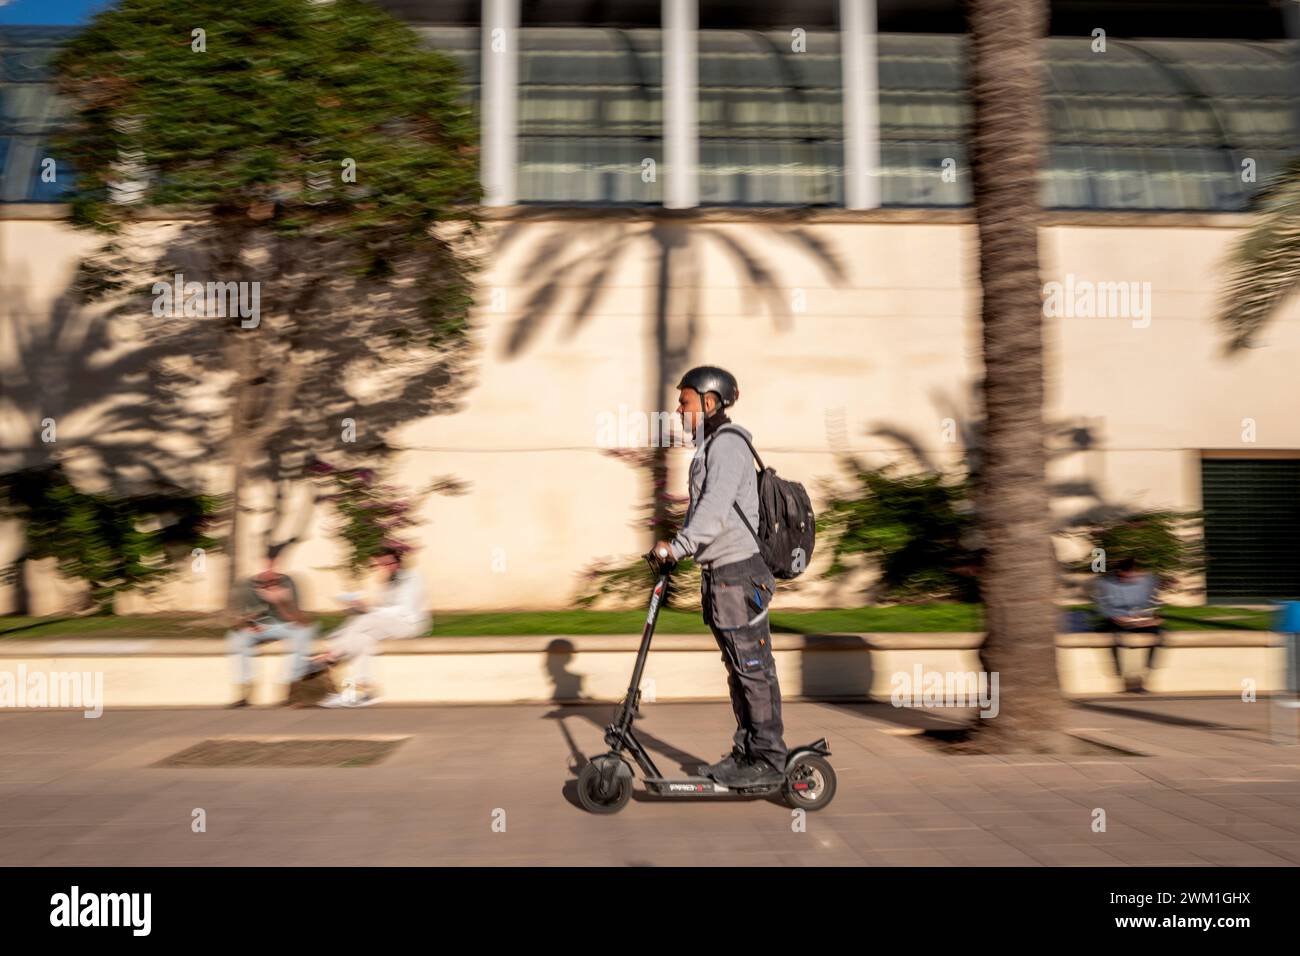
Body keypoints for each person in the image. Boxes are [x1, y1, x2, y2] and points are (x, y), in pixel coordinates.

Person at [652, 365, 787, 788]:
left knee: (752, 668)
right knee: (738, 668)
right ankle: (748, 750)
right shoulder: (712, 447)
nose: (678, 410)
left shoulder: (727, 446)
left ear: (709, 403)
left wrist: (676, 547)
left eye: (685, 401)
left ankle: (768, 757)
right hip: (721, 575)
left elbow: (711, 513)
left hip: (739, 575)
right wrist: (680, 546)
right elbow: (705, 513)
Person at [313, 547, 430, 707]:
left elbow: (404, 610)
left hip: (410, 624)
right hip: (392, 624)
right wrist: (360, 607)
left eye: (389, 563)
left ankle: (332, 653)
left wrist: (370, 610)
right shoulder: (388, 582)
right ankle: (363, 693)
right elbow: (384, 610)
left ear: (399, 561)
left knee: (366, 620)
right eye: (381, 564)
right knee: (361, 639)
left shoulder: (412, 578)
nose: (386, 567)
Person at [225, 546, 318, 707]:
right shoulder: (248, 584)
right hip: (258, 627)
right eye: (267, 565)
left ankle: (291, 687)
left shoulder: (288, 582)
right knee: (237, 638)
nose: (270, 570)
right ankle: (244, 690)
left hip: (284, 625)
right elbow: (235, 619)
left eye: (274, 565)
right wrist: (248, 623)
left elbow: (301, 620)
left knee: (304, 633)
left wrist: (281, 601)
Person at [1094, 557, 1163, 693]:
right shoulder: (1107, 584)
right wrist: (1117, 617)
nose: (1127, 577)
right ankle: (1119, 678)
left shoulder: (1147, 581)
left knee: (1159, 635)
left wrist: (1152, 618)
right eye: (1123, 574)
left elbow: (1153, 603)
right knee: (1115, 638)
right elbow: (1102, 608)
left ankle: (1146, 675)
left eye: (1130, 573)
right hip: (1115, 620)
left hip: (1139, 620)